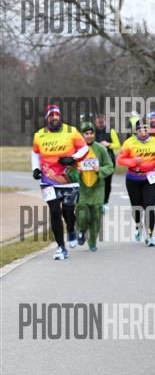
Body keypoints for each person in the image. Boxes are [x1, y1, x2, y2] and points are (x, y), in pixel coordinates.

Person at [31, 104, 88, 259]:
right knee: (55, 211)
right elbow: (35, 153)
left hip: (68, 178)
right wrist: (35, 168)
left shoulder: (72, 131)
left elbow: (84, 148)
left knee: (68, 210)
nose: (55, 117)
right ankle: (61, 248)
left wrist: (73, 158)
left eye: (57, 115)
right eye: (51, 115)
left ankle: (71, 228)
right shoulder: (39, 135)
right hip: (48, 179)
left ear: (60, 116)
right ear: (47, 118)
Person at [65, 122, 115, 252]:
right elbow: (68, 170)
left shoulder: (101, 149)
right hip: (82, 187)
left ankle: (92, 241)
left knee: (96, 216)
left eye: (91, 133)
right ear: (82, 135)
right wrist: (76, 171)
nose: (89, 136)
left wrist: (100, 169)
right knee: (82, 213)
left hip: (97, 187)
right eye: (86, 133)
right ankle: (81, 229)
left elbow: (110, 167)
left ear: (94, 134)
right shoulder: (76, 150)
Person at [117, 118, 155, 246]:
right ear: (136, 131)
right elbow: (120, 160)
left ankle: (149, 235)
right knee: (136, 206)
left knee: (149, 205)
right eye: (140, 130)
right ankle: (138, 225)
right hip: (133, 178)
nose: (143, 132)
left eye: (146, 129)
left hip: (151, 177)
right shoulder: (129, 143)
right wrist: (132, 161)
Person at [93, 113, 121, 212]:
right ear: (95, 122)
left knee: (107, 183)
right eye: (98, 122)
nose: (100, 124)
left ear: (105, 122)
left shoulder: (111, 131)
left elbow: (117, 145)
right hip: (95, 161)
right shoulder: (92, 132)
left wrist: (108, 144)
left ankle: (105, 202)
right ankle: (96, 202)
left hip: (108, 160)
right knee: (95, 182)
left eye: (102, 123)